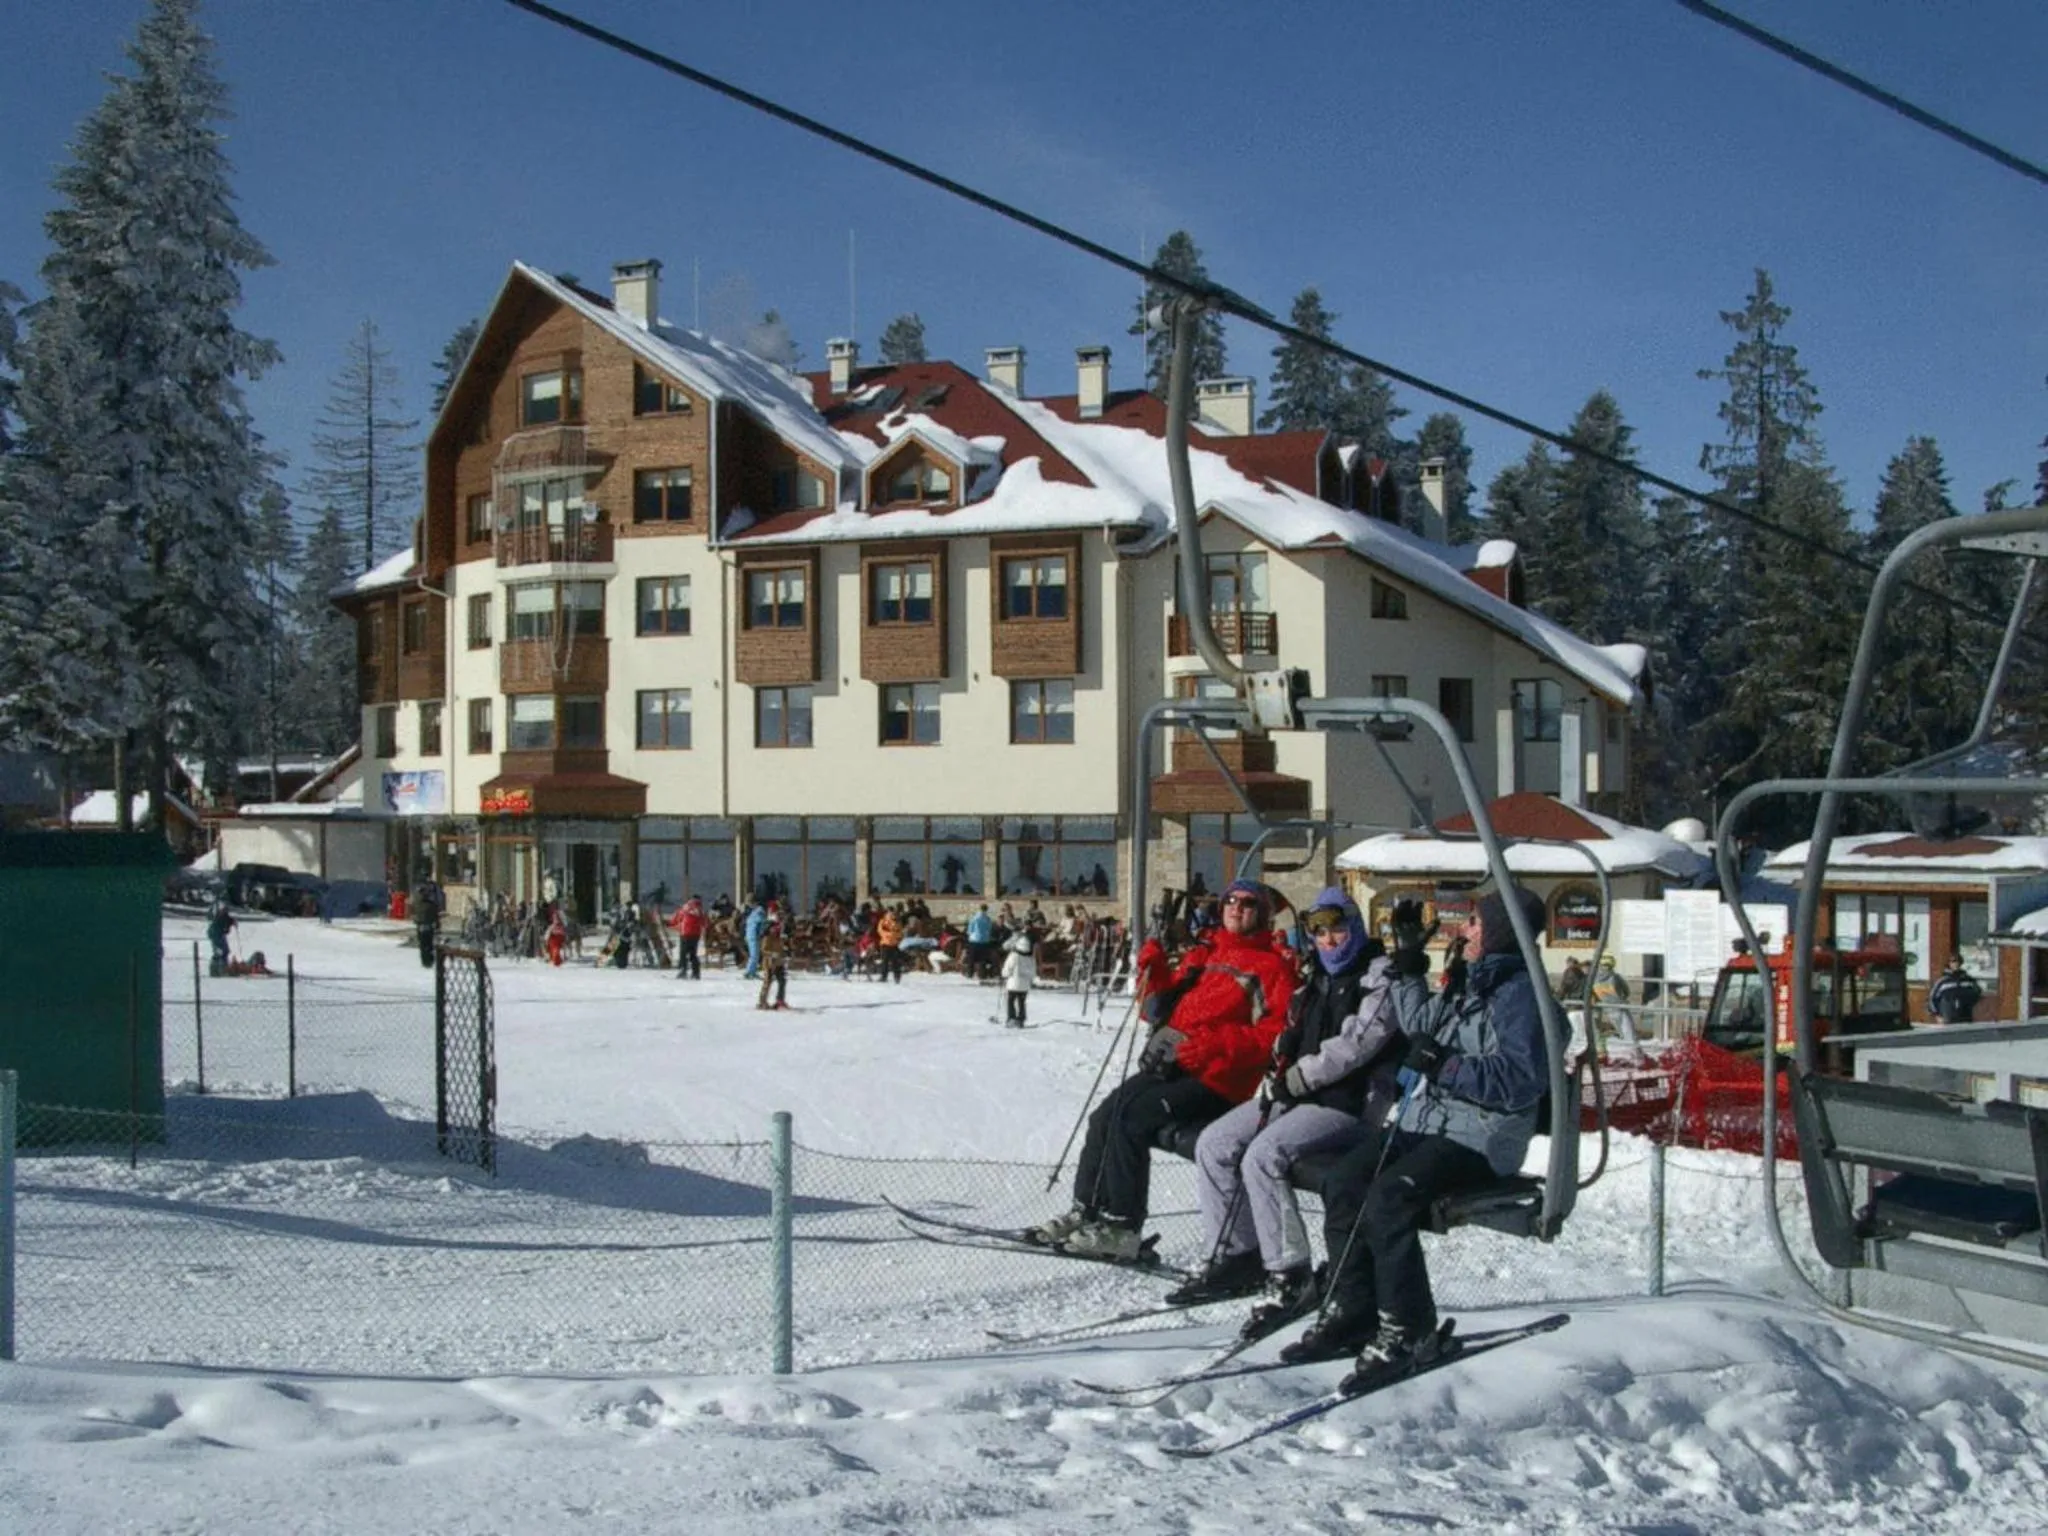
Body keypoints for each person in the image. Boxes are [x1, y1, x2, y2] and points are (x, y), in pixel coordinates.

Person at [1281, 883, 1549, 1387]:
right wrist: (1407, 964)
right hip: (1429, 1123)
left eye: (1475, 923)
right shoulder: (1475, 981)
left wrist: (1445, 1066)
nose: (1464, 930)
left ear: (1501, 931)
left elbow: (1519, 1080)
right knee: (1345, 1178)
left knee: (1388, 1198)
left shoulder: (1521, 998)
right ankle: (1351, 1307)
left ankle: (1409, 1328)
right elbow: (1424, 1023)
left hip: (1481, 1140)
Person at [1171, 887, 1405, 1336]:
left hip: (1349, 1103)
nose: (1329, 940)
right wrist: (1280, 1058)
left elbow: (1358, 1045)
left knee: (1265, 1155)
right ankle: (1238, 1256)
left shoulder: (1377, 977)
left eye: (1337, 929)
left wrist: (1300, 1076)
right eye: (1320, 931)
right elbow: (1289, 1028)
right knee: (1216, 1143)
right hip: (1298, 1094)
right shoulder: (1314, 975)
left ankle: (1290, 1272)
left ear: (1354, 928)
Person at [1030, 879, 1297, 1262]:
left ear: (1263, 914)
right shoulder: (1207, 953)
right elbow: (1155, 1011)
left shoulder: (1271, 968)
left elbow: (1273, 1036)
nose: (1236, 908)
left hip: (1217, 1079)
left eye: (1248, 903)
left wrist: (1212, 1045)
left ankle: (1122, 1225)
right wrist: (1153, 970)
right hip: (1172, 1063)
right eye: (1231, 900)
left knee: (1131, 1118)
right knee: (1103, 1115)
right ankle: (1087, 1210)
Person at [1928, 955, 1984, 1024]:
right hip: (1947, 1018)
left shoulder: (1968, 980)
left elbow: (1977, 992)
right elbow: (1932, 998)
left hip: (1965, 1017)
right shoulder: (1942, 981)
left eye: (1958, 962)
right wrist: (1937, 1015)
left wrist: (1969, 1003)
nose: (1956, 964)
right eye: (1953, 962)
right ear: (1949, 964)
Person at [1000, 932, 1037, 1027]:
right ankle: (1021, 1019)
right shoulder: (1030, 958)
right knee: (1022, 1002)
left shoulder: (1014, 956)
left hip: (1013, 983)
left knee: (1011, 1001)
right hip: (1025, 985)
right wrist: (1031, 980)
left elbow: (1008, 967)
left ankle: (1011, 1018)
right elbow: (1033, 971)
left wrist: (1004, 974)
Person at [412, 875, 444, 969]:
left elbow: (415, 914)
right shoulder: (430, 905)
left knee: (423, 944)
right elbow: (435, 915)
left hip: (421, 925)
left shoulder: (418, 902)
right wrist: (437, 925)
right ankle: (428, 960)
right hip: (428, 925)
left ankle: (425, 960)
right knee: (428, 943)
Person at [756, 918, 789, 1010]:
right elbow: (763, 950)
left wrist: (784, 953)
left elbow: (781, 949)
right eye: (774, 928)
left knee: (782, 981)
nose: (776, 929)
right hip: (769, 963)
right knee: (768, 982)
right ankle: (762, 1001)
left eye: (776, 927)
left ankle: (780, 1000)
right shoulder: (767, 938)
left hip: (779, 963)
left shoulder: (778, 937)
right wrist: (772, 954)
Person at [671, 894, 705, 979]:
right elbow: (704, 922)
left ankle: (683, 970)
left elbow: (676, 918)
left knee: (683, 953)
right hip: (696, 934)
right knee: (693, 954)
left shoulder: (685, 907)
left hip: (685, 932)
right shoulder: (700, 910)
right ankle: (696, 973)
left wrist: (674, 925)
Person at [965, 903, 996, 982]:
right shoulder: (988, 919)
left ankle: (970, 973)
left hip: (974, 940)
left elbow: (969, 930)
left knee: (971, 958)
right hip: (985, 941)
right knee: (983, 959)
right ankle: (982, 974)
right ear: (986, 909)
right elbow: (989, 929)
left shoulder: (974, 918)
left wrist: (971, 934)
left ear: (979, 908)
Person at [206, 900, 237, 977]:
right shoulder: (220, 917)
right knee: (220, 952)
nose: (226, 911)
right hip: (216, 935)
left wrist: (232, 922)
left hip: (219, 934)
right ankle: (217, 970)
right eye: (225, 910)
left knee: (225, 951)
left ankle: (223, 969)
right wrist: (231, 923)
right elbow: (225, 922)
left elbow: (228, 919)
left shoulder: (224, 916)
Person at [876, 907, 905, 983]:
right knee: (885, 961)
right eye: (890, 912)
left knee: (895, 961)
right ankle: (883, 976)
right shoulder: (883, 921)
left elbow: (900, 933)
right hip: (885, 944)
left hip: (894, 944)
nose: (891, 914)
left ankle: (897, 976)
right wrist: (891, 934)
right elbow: (880, 931)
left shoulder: (898, 922)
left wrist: (895, 936)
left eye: (893, 912)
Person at [742, 899, 768, 979]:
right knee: (754, 955)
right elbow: (761, 924)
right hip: (753, 936)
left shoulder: (755, 912)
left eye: (750, 903)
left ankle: (752, 971)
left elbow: (760, 924)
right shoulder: (757, 912)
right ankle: (749, 972)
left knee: (754, 955)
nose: (749, 905)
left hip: (752, 935)